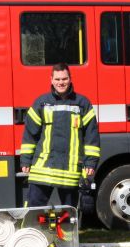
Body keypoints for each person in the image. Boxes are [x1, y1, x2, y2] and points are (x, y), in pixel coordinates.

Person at [20, 63, 101, 210]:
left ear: (70, 79)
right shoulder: (41, 103)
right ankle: (30, 233)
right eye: (57, 79)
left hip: (70, 170)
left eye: (64, 79)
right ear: (51, 79)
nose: (61, 82)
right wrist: (25, 160)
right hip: (43, 169)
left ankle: (67, 234)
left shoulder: (82, 104)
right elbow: (30, 134)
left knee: (69, 212)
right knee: (33, 209)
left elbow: (91, 136)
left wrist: (90, 163)